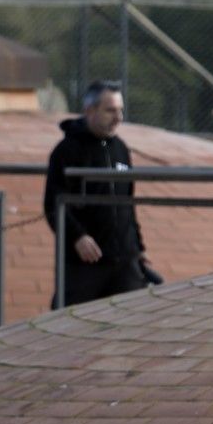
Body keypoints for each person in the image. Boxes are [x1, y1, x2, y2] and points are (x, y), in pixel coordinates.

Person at [43, 80, 156, 308]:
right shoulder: (67, 151)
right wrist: (78, 237)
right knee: (68, 324)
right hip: (86, 261)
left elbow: (127, 204)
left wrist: (138, 248)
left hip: (124, 259)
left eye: (120, 110)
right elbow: (54, 204)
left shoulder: (121, 149)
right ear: (89, 110)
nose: (118, 117)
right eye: (110, 110)